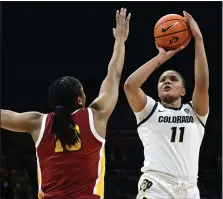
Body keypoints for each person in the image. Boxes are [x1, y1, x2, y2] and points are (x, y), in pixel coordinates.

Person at [0, 8, 131, 199]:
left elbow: (4, 116)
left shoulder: (38, 123)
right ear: (80, 99)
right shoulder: (96, 116)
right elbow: (114, 75)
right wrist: (120, 41)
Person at [124, 11, 209, 199]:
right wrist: (161, 58)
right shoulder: (149, 110)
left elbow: (202, 84)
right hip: (157, 186)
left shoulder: (195, 112)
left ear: (183, 91)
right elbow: (130, 86)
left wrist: (199, 40)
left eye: (173, 79)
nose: (167, 82)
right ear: (158, 89)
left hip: (190, 189)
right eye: (162, 80)